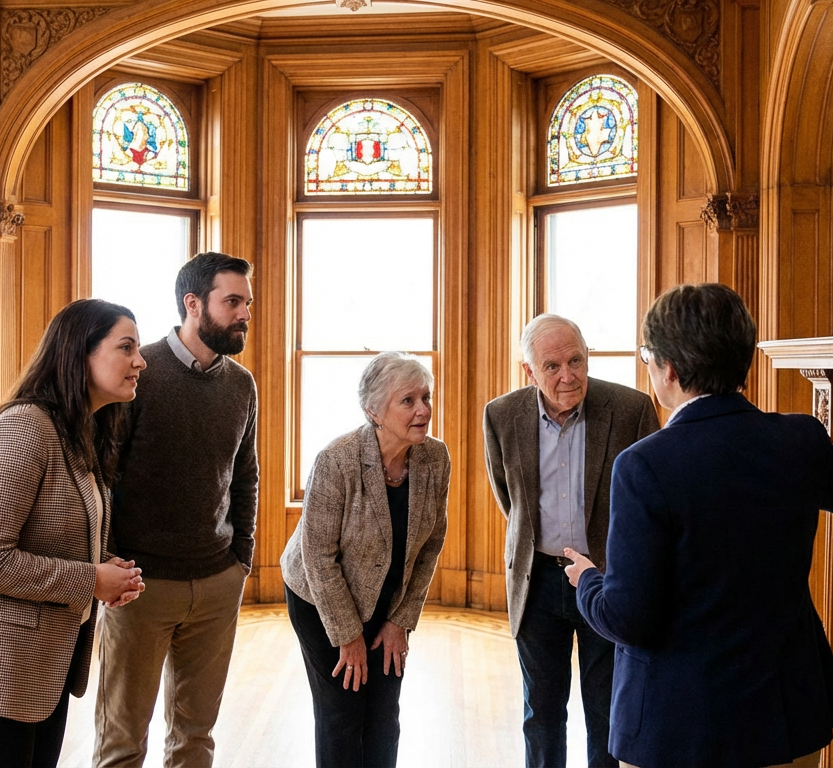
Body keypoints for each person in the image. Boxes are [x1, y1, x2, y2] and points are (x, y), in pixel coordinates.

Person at [564, 283, 833, 768]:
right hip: (784, 717)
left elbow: (628, 617)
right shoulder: (798, 441)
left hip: (674, 726)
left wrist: (587, 581)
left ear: (669, 369)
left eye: (646, 357)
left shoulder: (643, 466)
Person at [0, 298, 148, 768]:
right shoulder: (23, 429)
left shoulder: (81, 431)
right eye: (126, 347)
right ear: (79, 353)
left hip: (39, 670)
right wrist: (91, 580)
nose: (140, 361)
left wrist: (108, 570)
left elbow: (64, 531)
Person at [94, 252, 259, 768]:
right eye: (232, 302)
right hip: (140, 585)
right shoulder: (138, 372)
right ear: (193, 304)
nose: (244, 314)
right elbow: (102, 473)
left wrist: (241, 559)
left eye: (247, 303)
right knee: (122, 743)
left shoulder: (242, 384)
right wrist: (109, 560)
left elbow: (245, 476)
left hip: (216, 583)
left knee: (195, 739)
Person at [482, 314, 660, 768]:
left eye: (576, 360)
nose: (568, 376)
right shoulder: (501, 415)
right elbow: (511, 498)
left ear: (587, 355)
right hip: (537, 579)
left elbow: (653, 502)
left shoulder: (631, 409)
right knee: (540, 710)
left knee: (606, 710)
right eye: (552, 366)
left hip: (608, 577)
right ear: (529, 372)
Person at [281, 352, 450, 768]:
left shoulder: (435, 459)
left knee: (383, 716)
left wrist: (400, 620)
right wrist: (348, 637)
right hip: (321, 601)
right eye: (407, 400)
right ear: (373, 410)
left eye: (426, 397)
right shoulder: (336, 460)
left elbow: (431, 544)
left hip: (388, 602)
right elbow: (318, 557)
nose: (424, 409)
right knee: (342, 714)